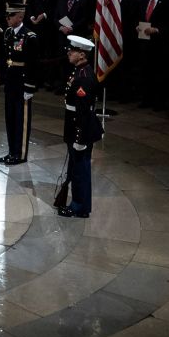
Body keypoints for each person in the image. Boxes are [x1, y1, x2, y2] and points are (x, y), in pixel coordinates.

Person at [59, 35, 103, 218]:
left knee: (80, 171)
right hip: (75, 126)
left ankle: (79, 207)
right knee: (76, 169)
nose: (69, 52)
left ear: (82, 55)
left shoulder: (83, 77)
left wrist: (79, 139)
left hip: (80, 130)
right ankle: (78, 204)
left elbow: (83, 112)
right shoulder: (79, 71)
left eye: (74, 51)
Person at [0, 5, 33, 165]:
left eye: (10, 16)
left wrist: (29, 87)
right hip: (11, 81)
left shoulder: (29, 37)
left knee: (21, 120)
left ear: (19, 17)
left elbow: (34, 64)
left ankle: (21, 154)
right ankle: (12, 151)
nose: (7, 19)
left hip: (22, 81)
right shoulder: (8, 33)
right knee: (10, 118)